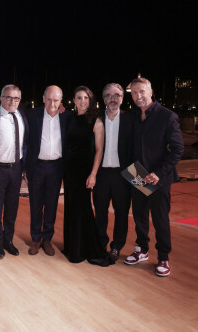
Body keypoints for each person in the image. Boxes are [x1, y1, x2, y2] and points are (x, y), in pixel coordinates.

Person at [124, 75, 184, 277]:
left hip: (158, 177)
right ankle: (142, 250)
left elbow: (177, 149)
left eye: (142, 91)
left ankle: (163, 258)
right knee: (139, 216)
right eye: (134, 92)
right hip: (137, 174)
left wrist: (158, 173)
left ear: (151, 91)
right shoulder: (132, 117)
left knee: (160, 220)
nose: (138, 96)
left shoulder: (167, 116)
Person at [62, 86, 115, 267]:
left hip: (83, 170)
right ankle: (71, 247)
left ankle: (80, 250)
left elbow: (99, 150)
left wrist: (93, 174)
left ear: (90, 100)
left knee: (81, 208)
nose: (83, 101)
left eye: (86, 98)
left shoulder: (96, 121)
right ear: (74, 100)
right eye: (79, 97)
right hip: (69, 169)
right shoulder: (69, 118)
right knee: (71, 207)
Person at [25, 85, 71, 256]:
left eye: (56, 100)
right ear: (43, 98)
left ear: (61, 100)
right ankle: (36, 239)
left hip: (56, 167)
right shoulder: (32, 115)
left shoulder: (67, 117)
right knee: (35, 204)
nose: (52, 103)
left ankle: (48, 239)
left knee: (51, 204)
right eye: (49, 99)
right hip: (36, 166)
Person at [92, 83, 133, 261]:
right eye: (109, 95)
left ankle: (117, 247)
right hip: (100, 174)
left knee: (121, 213)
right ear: (104, 99)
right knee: (100, 212)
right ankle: (100, 244)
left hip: (124, 175)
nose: (113, 99)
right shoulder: (96, 118)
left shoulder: (130, 119)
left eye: (116, 95)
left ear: (122, 98)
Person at [0, 85, 29, 259]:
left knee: (12, 209)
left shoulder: (22, 115)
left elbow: (26, 142)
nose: (12, 101)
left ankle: (8, 241)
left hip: (17, 168)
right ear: (1, 97)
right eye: (8, 97)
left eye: (16, 98)